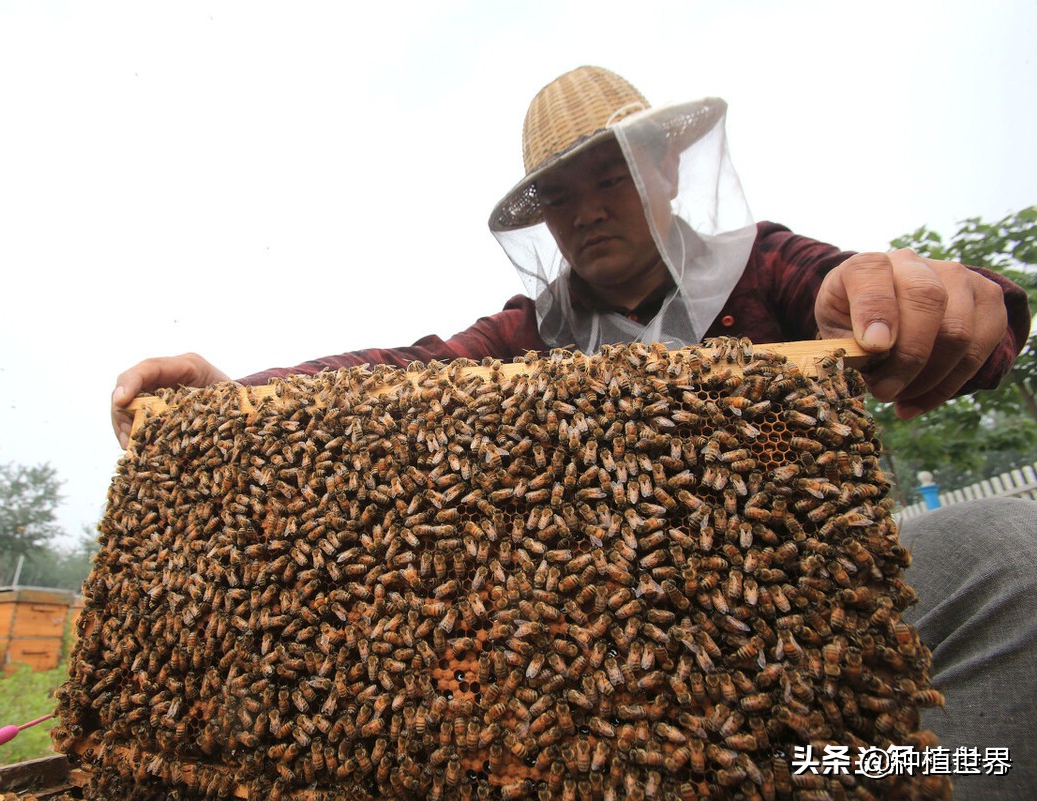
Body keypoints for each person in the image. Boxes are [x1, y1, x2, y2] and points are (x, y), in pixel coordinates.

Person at [110, 67, 1034, 798]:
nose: (588, 207)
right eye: (560, 193)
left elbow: (894, 301)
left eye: (613, 175)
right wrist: (240, 397)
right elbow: (402, 370)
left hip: (787, 634)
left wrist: (934, 305)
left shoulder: (771, 271)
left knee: (1010, 552)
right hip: (602, 670)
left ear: (668, 170)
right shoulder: (530, 334)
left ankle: (885, 776)